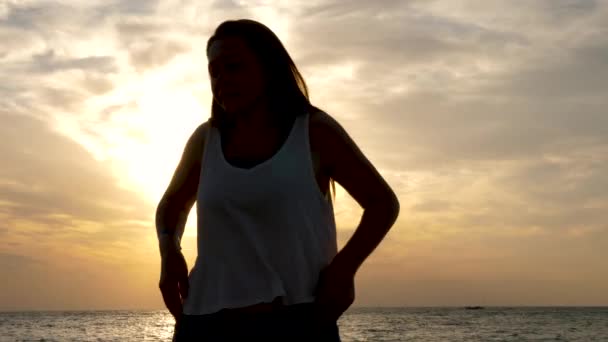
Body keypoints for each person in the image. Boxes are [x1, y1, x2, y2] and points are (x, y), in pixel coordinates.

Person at [156, 19, 400, 341]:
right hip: (205, 321)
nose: (222, 80)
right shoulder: (206, 140)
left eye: (234, 67)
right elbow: (172, 204)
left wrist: (344, 269)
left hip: (297, 320)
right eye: (214, 72)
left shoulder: (313, 132)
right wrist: (169, 250)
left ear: (269, 67)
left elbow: (382, 204)